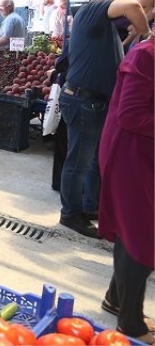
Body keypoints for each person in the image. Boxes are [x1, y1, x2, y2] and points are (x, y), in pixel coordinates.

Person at [58, 0, 150, 238]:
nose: (125, 0)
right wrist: (146, 33)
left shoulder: (102, 22)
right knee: (79, 161)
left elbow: (137, 3)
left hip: (95, 102)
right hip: (83, 101)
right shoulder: (90, 11)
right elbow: (135, 6)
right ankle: (70, 213)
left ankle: (88, 206)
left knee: (95, 162)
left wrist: (133, 34)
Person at [97, 37, 154, 345]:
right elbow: (131, 114)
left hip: (143, 152)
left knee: (131, 228)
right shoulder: (147, 55)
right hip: (128, 153)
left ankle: (115, 298)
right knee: (142, 235)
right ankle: (130, 324)